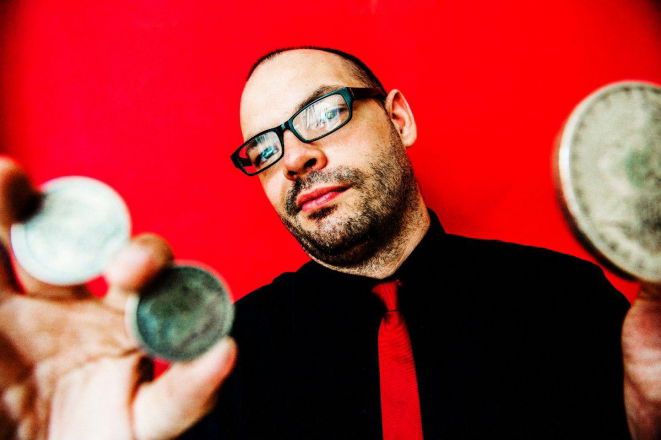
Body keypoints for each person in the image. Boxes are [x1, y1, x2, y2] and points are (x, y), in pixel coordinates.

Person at [0, 46, 658, 439]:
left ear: (398, 118)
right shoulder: (223, 357)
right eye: (264, 149)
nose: (294, 158)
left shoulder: (565, 297)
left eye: (323, 114)